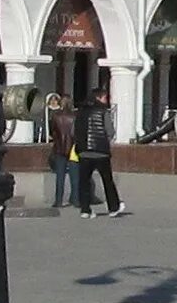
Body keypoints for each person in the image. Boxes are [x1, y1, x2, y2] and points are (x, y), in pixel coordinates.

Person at [76, 84, 128, 217]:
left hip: (83, 152)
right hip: (100, 152)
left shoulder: (80, 112)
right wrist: (105, 141)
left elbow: (73, 131)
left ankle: (85, 210)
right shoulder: (103, 111)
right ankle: (113, 207)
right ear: (98, 98)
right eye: (105, 97)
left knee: (84, 181)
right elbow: (110, 131)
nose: (107, 100)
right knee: (107, 180)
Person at [44, 93, 77, 213]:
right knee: (74, 175)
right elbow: (76, 133)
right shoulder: (75, 116)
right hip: (73, 149)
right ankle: (75, 199)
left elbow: (53, 132)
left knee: (60, 176)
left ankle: (58, 200)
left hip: (59, 149)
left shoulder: (55, 116)